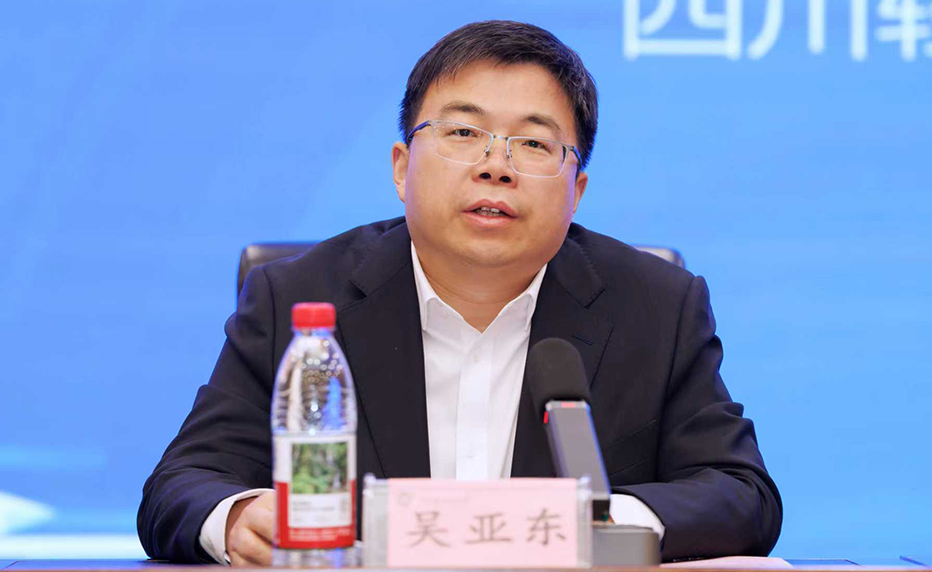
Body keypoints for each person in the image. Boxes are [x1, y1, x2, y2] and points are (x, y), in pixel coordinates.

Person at [138, 20, 782, 566]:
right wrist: (238, 517)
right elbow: (182, 484)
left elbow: (741, 494)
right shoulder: (299, 298)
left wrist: (602, 527)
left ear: (576, 192)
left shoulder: (656, 306)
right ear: (401, 167)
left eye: (533, 143)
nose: (495, 166)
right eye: (464, 133)